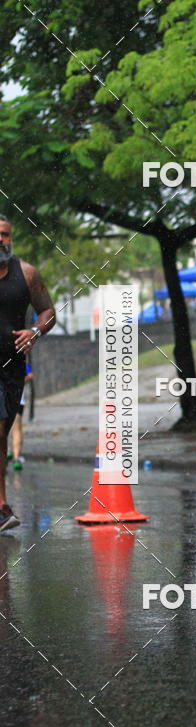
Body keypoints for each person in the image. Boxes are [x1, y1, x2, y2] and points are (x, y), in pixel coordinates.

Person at [0, 215, 55, 531]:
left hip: (13, 368)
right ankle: (2, 507)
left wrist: (35, 331)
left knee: (3, 433)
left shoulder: (27, 273)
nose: (1, 240)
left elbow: (48, 311)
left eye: (5, 235)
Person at [7, 361, 33, 470]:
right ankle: (16, 458)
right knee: (16, 428)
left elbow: (30, 375)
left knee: (8, 428)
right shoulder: (19, 360)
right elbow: (30, 375)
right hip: (17, 400)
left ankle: (9, 452)